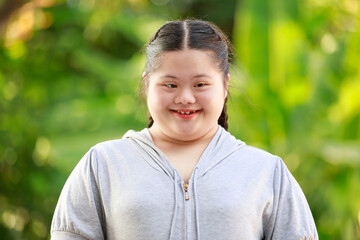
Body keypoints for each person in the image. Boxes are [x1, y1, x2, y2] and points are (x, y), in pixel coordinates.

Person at [50, 19, 318, 240]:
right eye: (170, 85)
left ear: (224, 85)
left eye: (200, 85)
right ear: (146, 85)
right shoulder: (102, 165)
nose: (186, 98)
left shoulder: (266, 171)